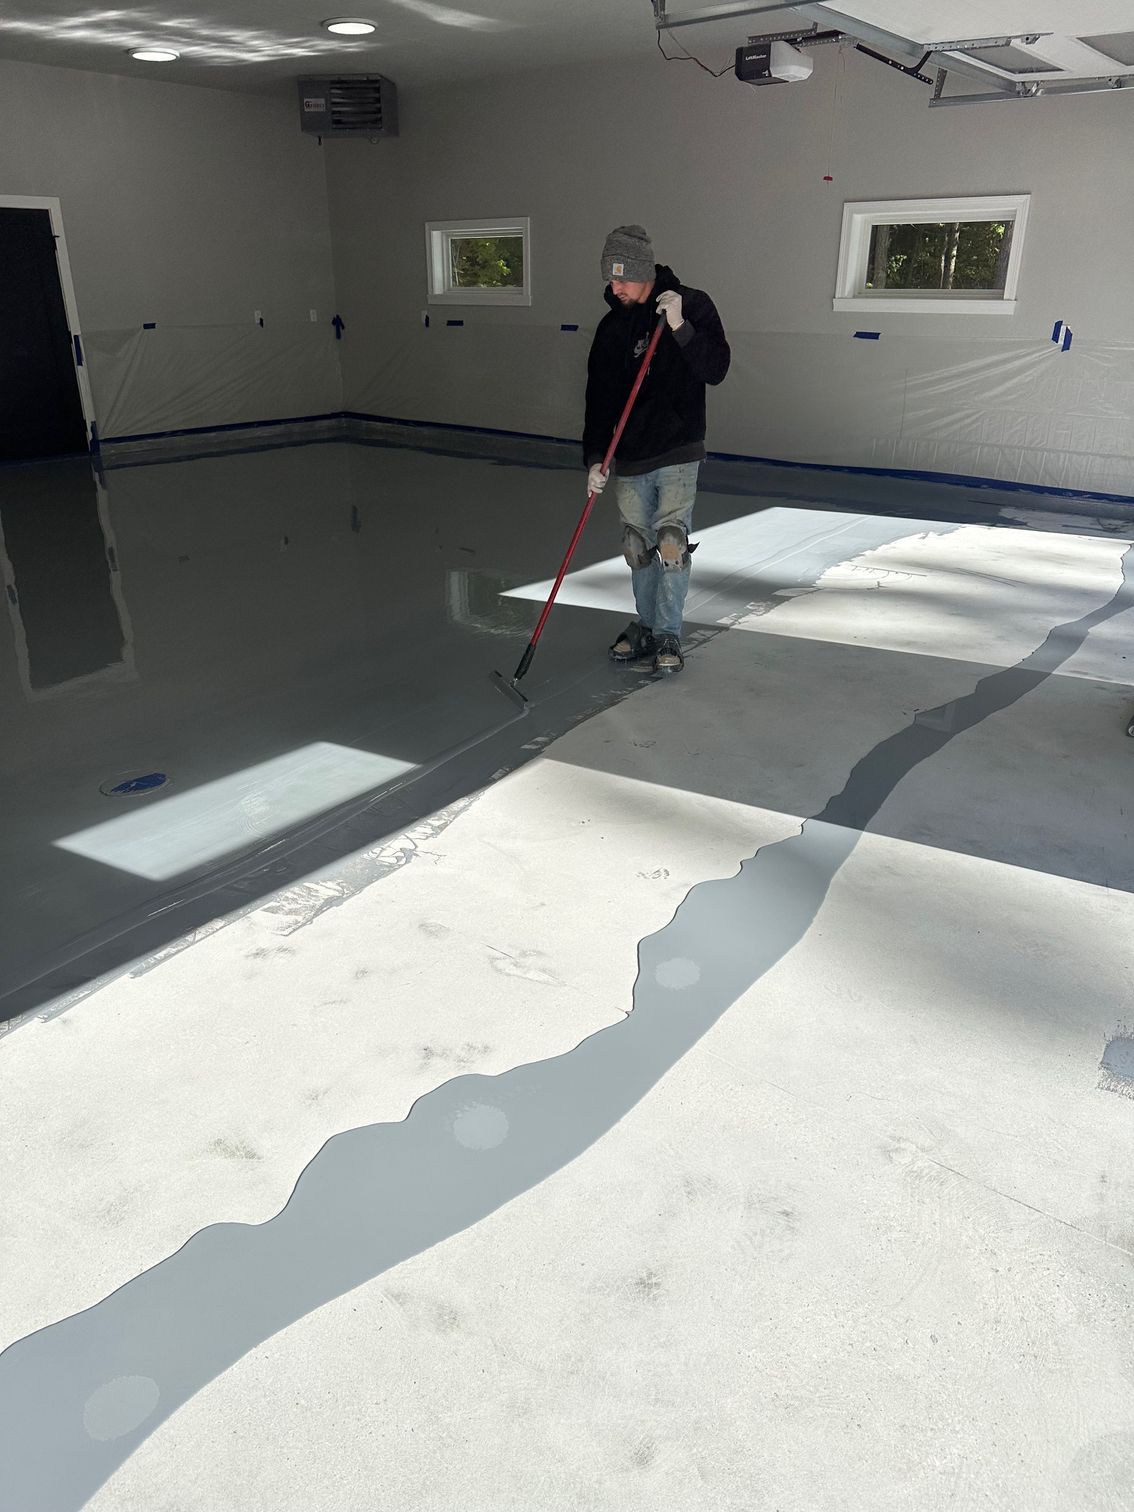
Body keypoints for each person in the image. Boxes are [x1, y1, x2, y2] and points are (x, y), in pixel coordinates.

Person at [583, 224, 730, 676]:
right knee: (637, 546)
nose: (615, 288)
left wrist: (681, 327)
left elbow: (716, 369)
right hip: (630, 455)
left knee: (670, 542)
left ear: (644, 271)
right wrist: (594, 458)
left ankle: (668, 633)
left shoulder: (692, 305)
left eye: (623, 278)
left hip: (678, 448)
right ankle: (646, 626)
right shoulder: (612, 327)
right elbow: (598, 398)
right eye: (610, 279)